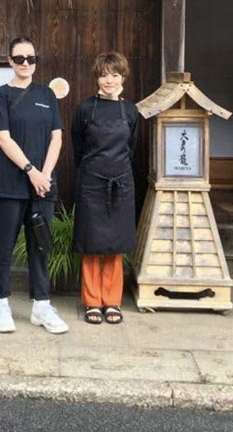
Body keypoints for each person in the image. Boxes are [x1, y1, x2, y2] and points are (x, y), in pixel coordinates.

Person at [0, 37, 68, 335]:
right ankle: (0, 304)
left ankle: (41, 306)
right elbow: (3, 138)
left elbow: (56, 137)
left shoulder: (46, 94)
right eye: (18, 58)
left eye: (30, 58)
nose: (24, 63)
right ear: (9, 61)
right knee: (2, 247)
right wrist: (31, 171)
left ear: (36, 60)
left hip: (43, 187)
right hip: (9, 184)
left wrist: (44, 174)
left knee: (40, 246)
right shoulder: (0, 95)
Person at [71, 52, 139, 325]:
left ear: (123, 77)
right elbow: (78, 148)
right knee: (91, 243)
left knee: (115, 244)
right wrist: (93, 172)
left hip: (121, 182)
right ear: (96, 77)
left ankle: (112, 300)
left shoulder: (131, 111)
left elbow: (131, 148)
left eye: (114, 74)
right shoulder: (85, 109)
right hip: (91, 182)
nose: (108, 80)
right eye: (103, 74)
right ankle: (91, 301)